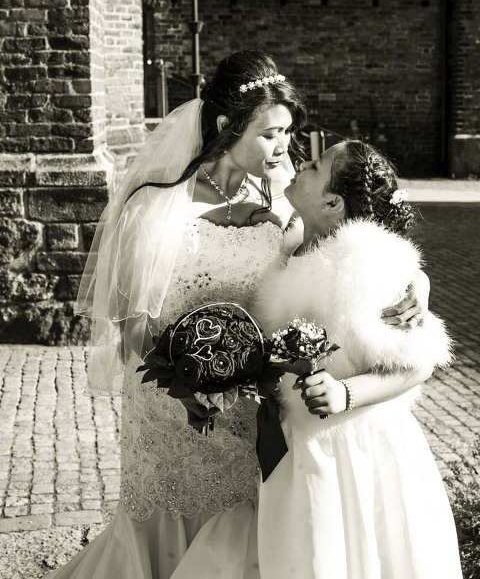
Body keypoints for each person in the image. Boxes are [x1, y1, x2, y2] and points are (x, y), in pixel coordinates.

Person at [46, 54, 426, 579]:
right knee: (170, 526)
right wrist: (187, 381)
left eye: (288, 133)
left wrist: (417, 283)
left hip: (253, 405)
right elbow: (129, 321)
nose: (284, 148)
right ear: (227, 125)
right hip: (169, 398)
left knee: (245, 535)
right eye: (270, 134)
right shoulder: (156, 204)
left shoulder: (284, 191)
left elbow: (351, 242)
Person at [254, 140, 463, 579]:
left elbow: (417, 364)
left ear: (332, 202)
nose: (300, 164)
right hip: (296, 444)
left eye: (314, 166)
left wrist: (344, 392)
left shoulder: (361, 266)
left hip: (353, 451)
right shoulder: (295, 248)